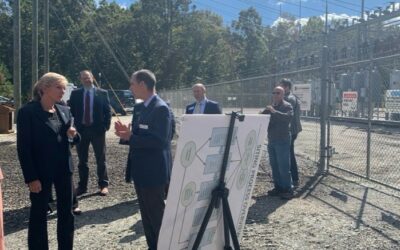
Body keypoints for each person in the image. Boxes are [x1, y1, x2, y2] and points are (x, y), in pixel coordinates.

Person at [16, 72, 80, 250]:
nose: (63, 91)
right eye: (58, 87)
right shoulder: (27, 112)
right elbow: (23, 148)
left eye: (64, 88)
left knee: (67, 213)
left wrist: (73, 136)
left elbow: (74, 138)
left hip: (64, 169)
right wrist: (31, 177)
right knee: (38, 214)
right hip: (40, 172)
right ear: (44, 88)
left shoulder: (64, 110)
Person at [115, 69, 172, 250]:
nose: (130, 87)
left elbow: (160, 140)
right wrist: (126, 135)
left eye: (132, 83)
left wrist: (131, 137)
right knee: (146, 215)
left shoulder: (161, 108)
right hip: (140, 170)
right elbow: (138, 135)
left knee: (156, 215)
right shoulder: (140, 107)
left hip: (154, 171)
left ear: (142, 84)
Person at [69, 70, 112, 196]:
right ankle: (82, 187)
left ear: (92, 78)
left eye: (88, 77)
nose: (86, 80)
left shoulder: (102, 93)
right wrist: (73, 127)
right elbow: (71, 111)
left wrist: (105, 127)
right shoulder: (75, 93)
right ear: (80, 80)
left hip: (98, 130)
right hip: (81, 131)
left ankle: (103, 185)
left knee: (101, 159)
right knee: (82, 160)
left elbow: (107, 111)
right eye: (83, 78)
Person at [261, 86, 294, 200]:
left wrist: (273, 111)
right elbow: (262, 118)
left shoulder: (287, 106)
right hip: (272, 140)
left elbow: (287, 118)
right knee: (274, 165)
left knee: (283, 166)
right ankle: (278, 187)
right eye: (274, 92)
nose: (275, 95)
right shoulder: (271, 107)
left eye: (278, 93)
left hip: (282, 140)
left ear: (283, 94)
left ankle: (288, 189)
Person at [279, 79, 302, 188]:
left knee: (289, 154)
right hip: (290, 130)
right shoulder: (287, 97)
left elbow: (286, 114)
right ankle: (291, 178)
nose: (280, 88)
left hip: (291, 130)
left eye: (282, 86)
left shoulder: (290, 99)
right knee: (288, 153)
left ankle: (294, 179)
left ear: (287, 87)